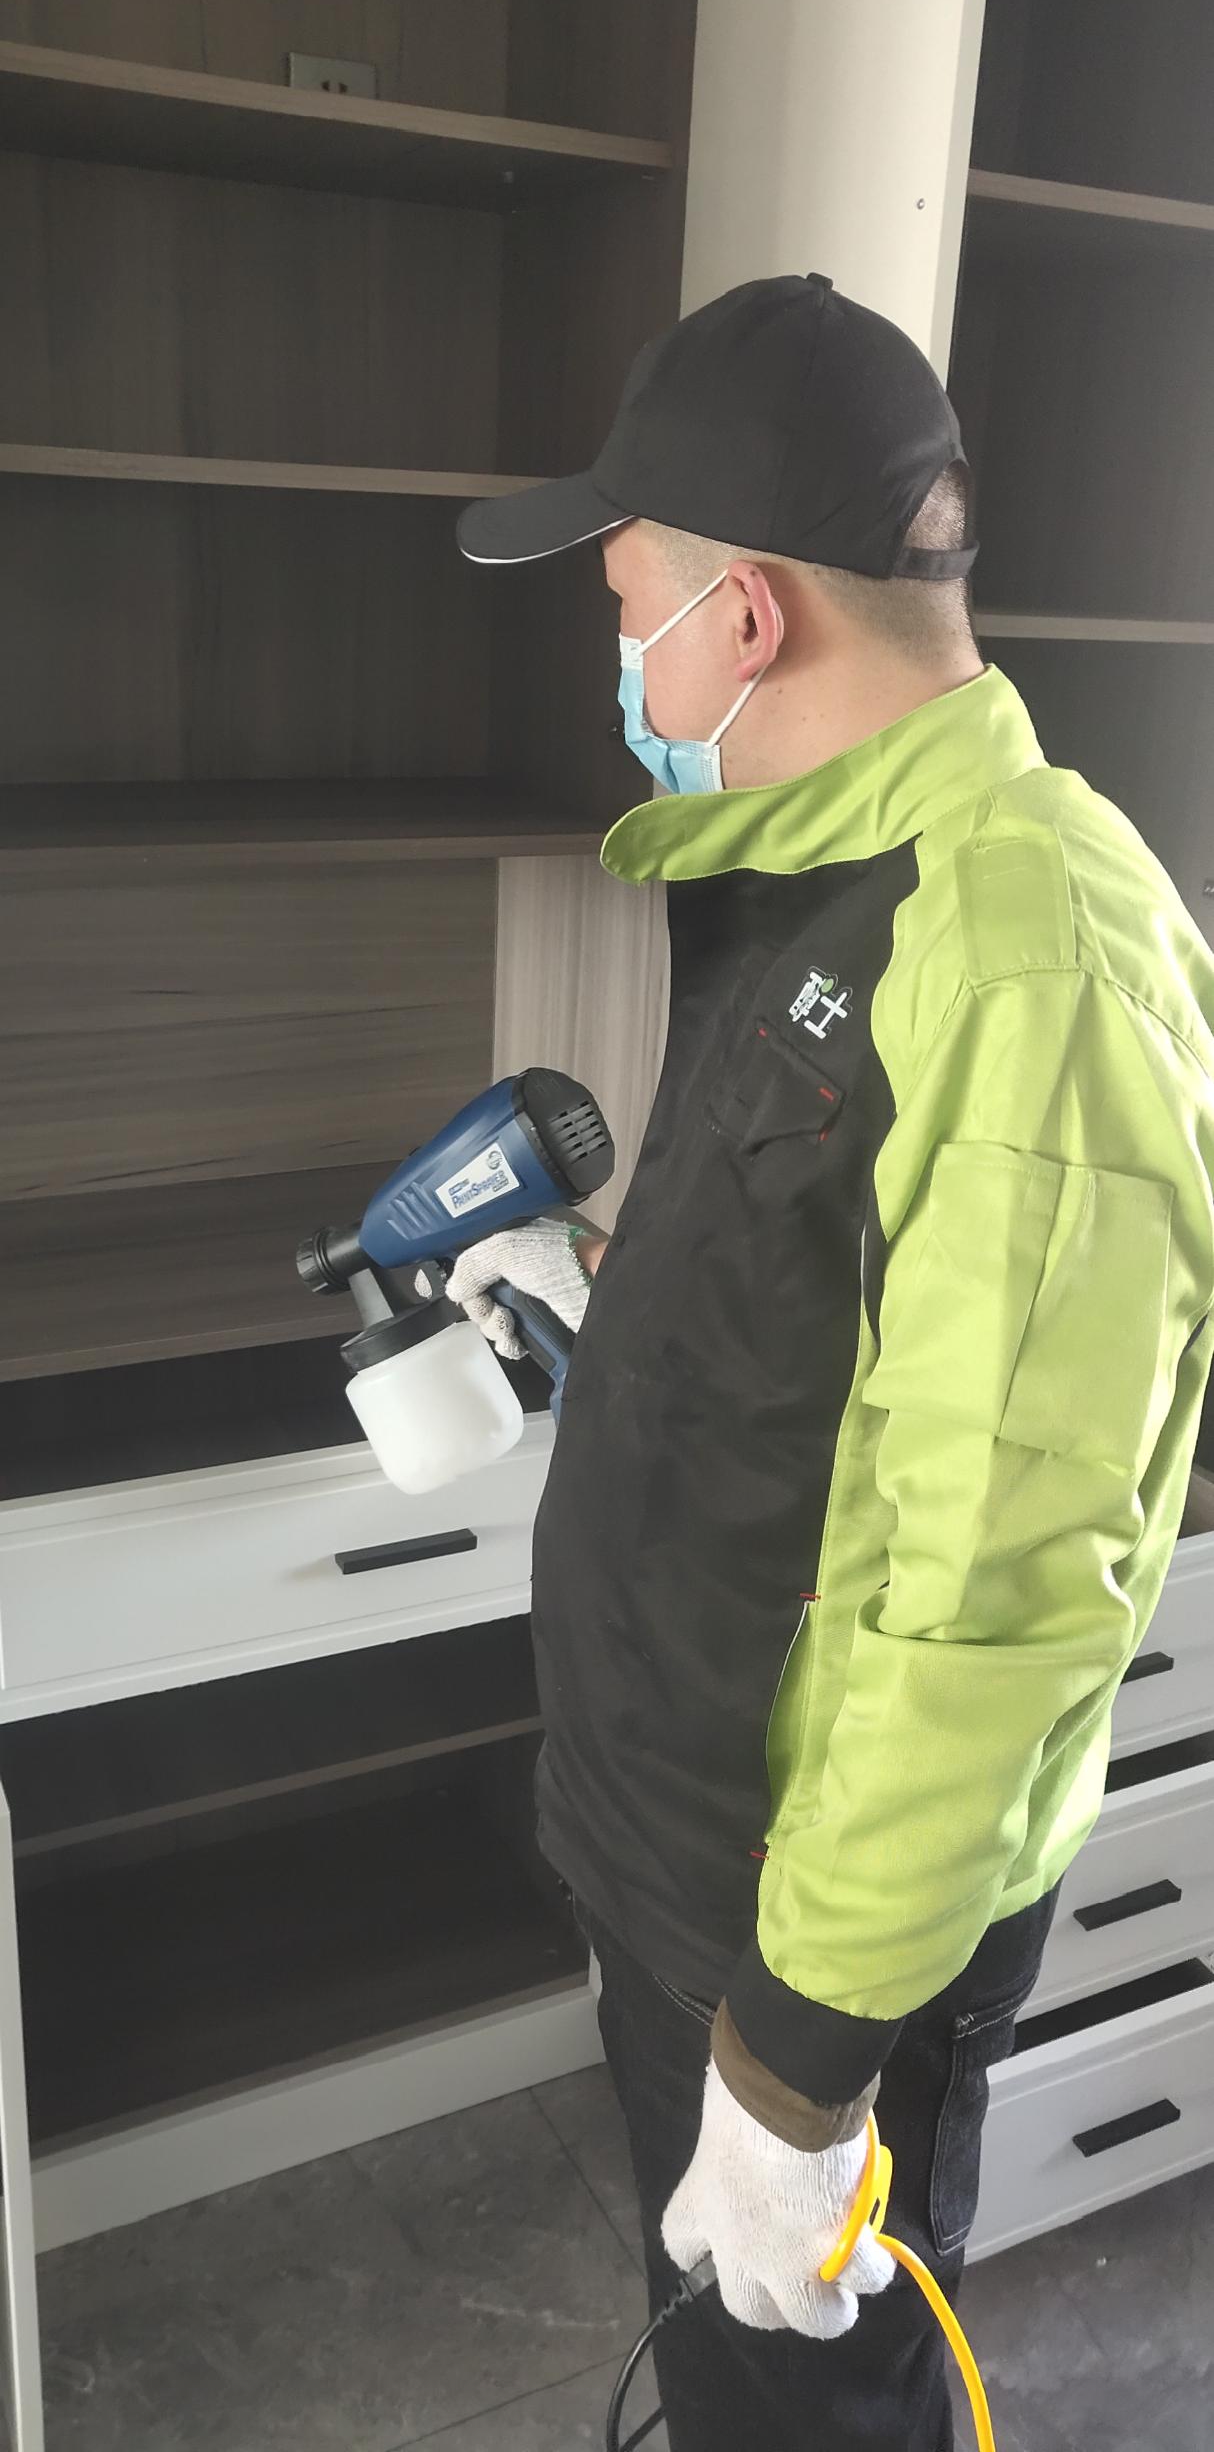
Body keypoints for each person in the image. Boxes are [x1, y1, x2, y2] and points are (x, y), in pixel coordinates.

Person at [447, 274, 1214, 2452]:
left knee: (814, 2416)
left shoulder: (1031, 950)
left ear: (747, 616)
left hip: (809, 1928)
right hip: (683, 1849)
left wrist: (794, 2068)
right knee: (726, 2384)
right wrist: (612, 1291)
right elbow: (835, 1324)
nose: (621, 660)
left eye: (626, 607)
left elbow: (996, 1581)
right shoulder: (814, 869)